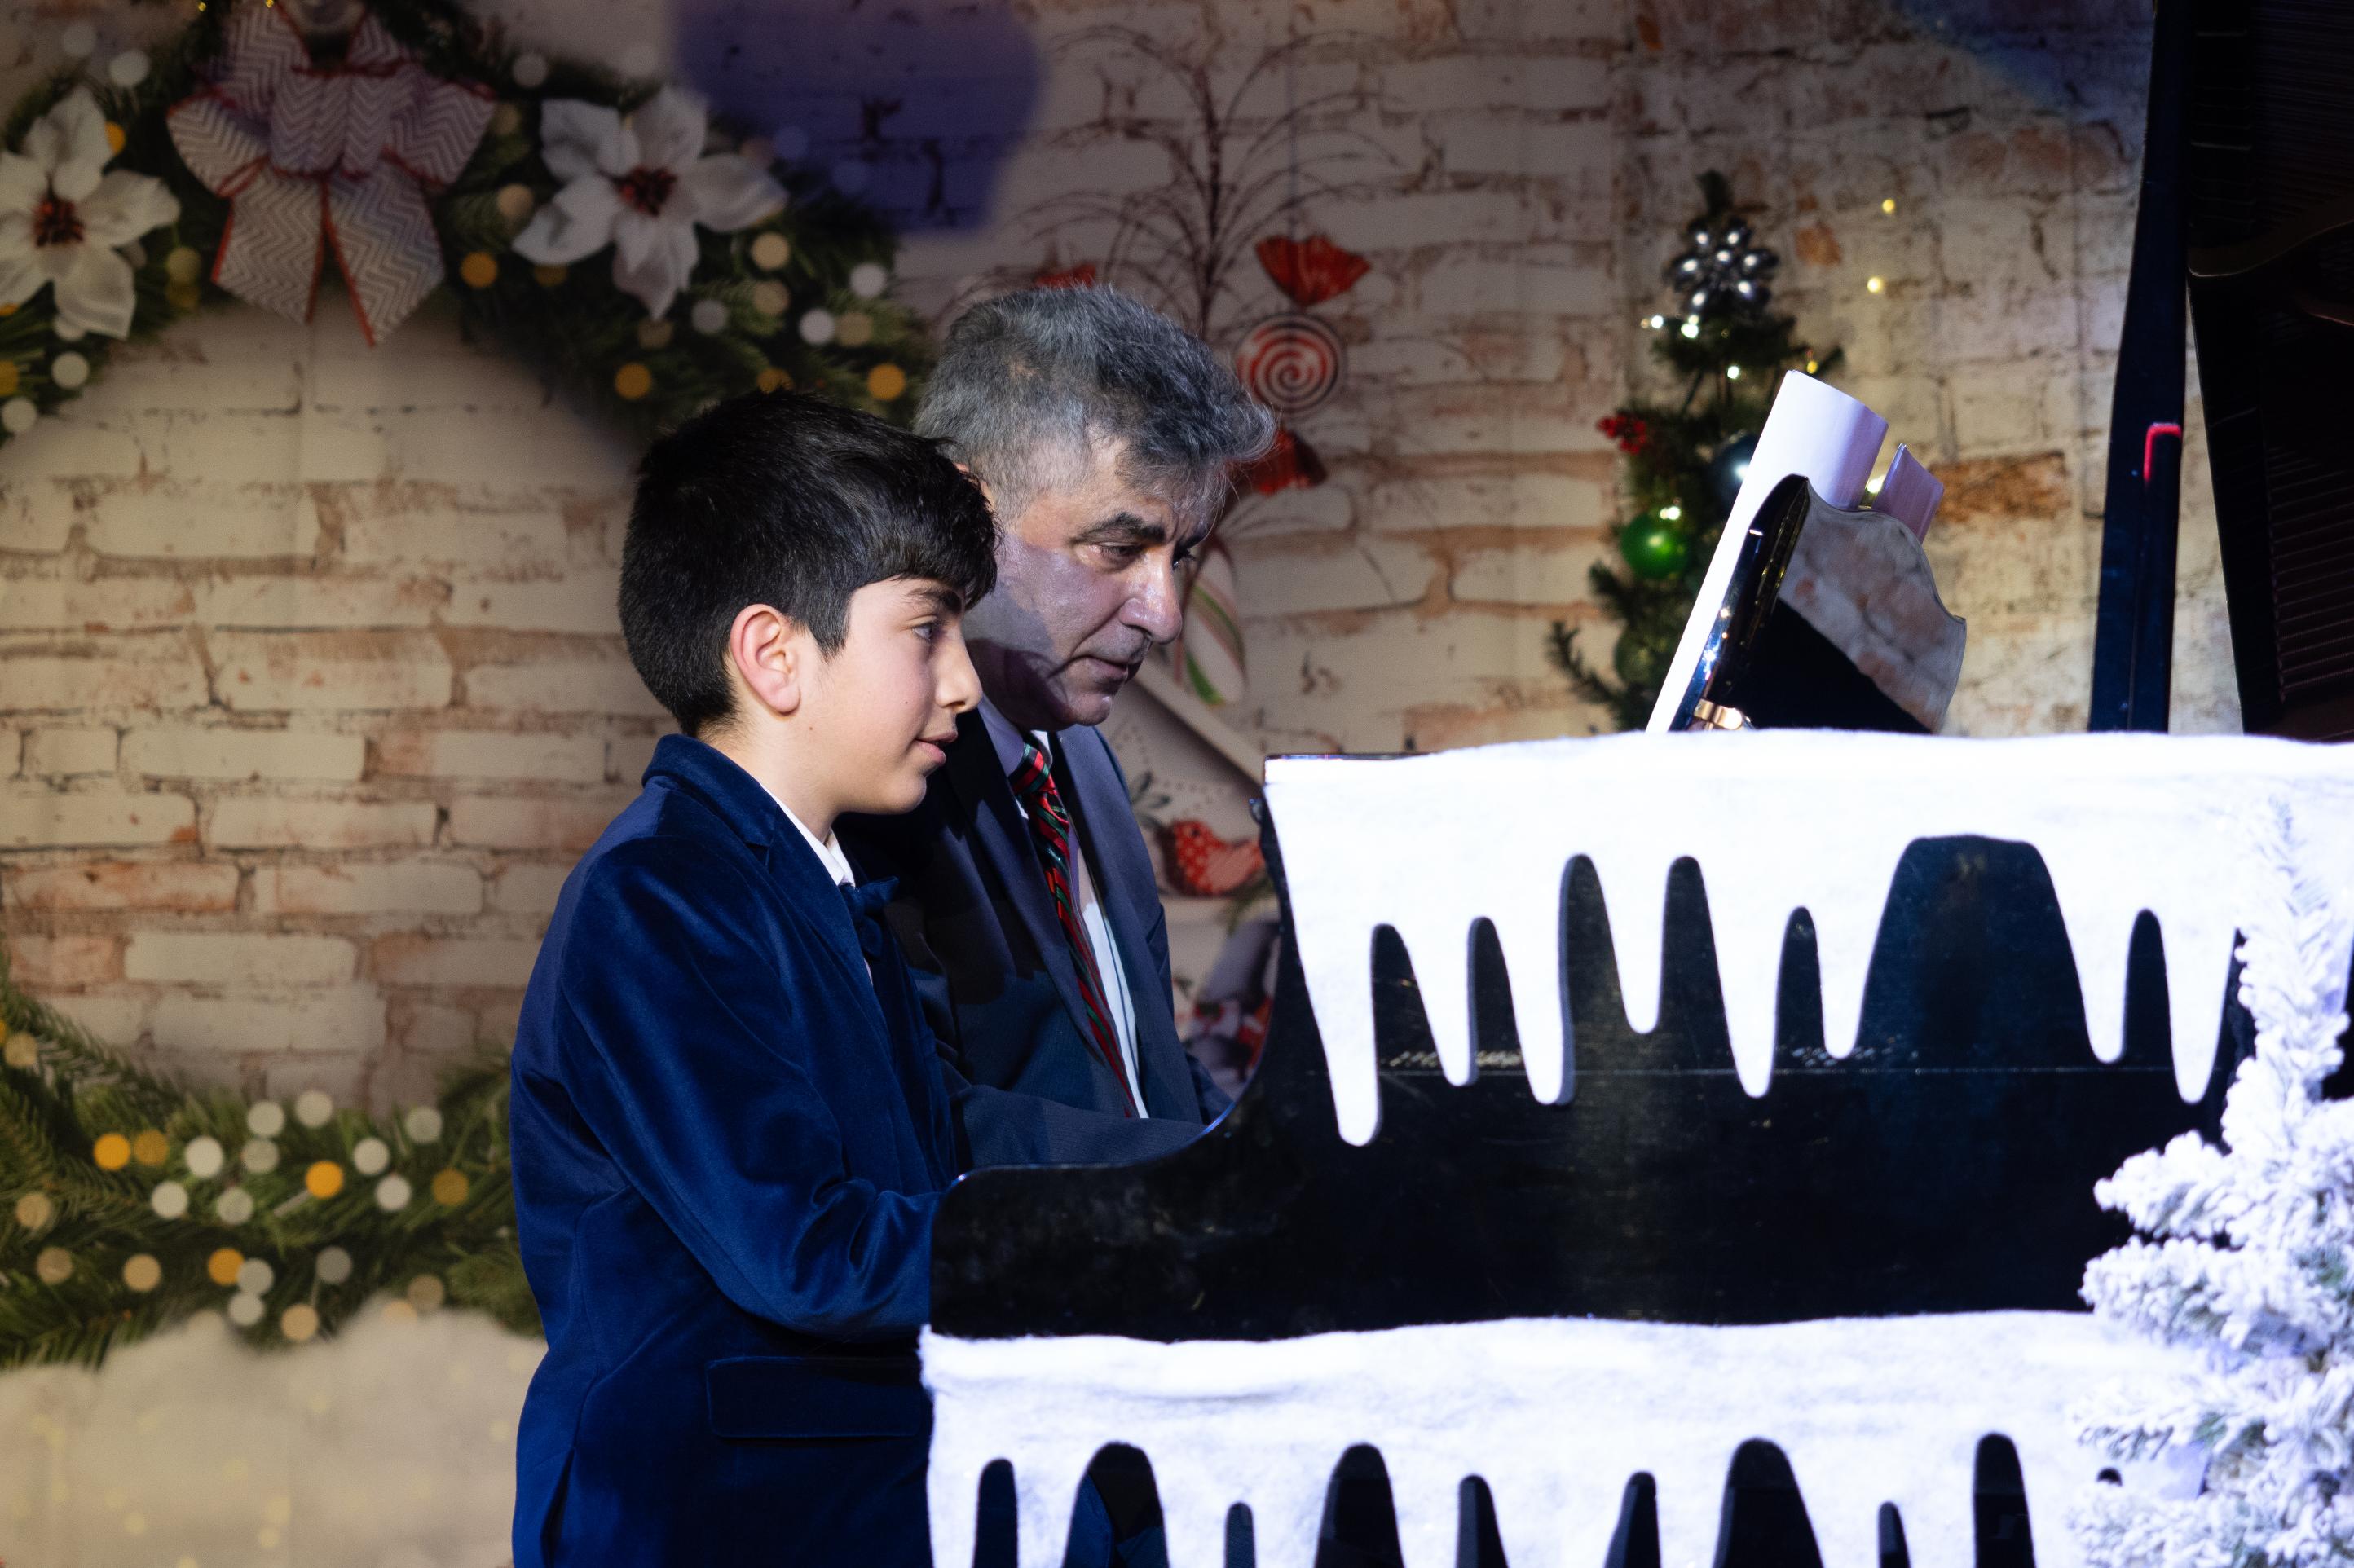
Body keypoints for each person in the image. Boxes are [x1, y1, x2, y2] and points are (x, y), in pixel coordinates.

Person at [508, 392, 1122, 1566]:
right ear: (774, 656)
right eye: (926, 630)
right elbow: (807, 1249)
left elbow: (938, 1137)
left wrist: (1182, 1174)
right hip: (716, 1515)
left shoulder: (817, 875)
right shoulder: (660, 896)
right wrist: (1098, 1237)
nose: (965, 686)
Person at [842, 285, 1276, 1168]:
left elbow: (1142, 1063)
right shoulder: (870, 782)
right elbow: (920, 1120)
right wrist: (1183, 1181)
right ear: (967, 514)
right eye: (1116, 550)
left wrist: (1255, 1159)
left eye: (1177, 556)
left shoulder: (1079, 752)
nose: (1161, 614)